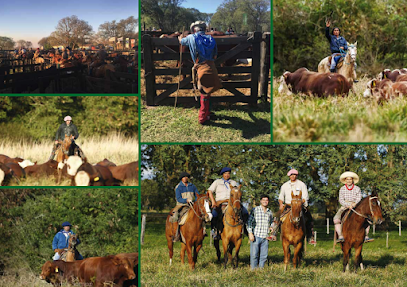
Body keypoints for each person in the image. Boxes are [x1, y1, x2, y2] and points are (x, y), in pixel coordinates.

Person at [178, 21, 222, 125]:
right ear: (204, 29)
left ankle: (203, 117)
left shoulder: (191, 37)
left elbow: (182, 42)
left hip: (201, 67)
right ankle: (206, 113)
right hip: (212, 66)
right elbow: (215, 56)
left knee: (203, 92)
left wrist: (180, 37)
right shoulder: (211, 39)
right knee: (208, 91)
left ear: (194, 30)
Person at [207, 167, 249, 239]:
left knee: (245, 212)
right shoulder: (217, 182)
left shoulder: (233, 182)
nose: (227, 175)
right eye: (225, 173)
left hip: (232, 203)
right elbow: (209, 191)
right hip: (220, 203)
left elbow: (237, 192)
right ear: (222, 174)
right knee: (214, 214)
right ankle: (214, 231)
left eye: (228, 173)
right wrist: (213, 201)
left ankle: (245, 230)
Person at [279, 169, 316, 245]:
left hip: (299, 205)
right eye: (291, 175)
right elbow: (281, 197)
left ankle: (310, 236)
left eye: (294, 175)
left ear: (296, 175)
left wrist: (300, 203)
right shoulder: (284, 185)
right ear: (289, 176)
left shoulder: (301, 184)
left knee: (309, 218)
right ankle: (273, 233)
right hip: (288, 205)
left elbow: (305, 197)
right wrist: (280, 204)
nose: (293, 176)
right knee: (277, 217)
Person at [334, 171, 374, 243]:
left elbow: (359, 198)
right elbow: (341, 200)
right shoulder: (342, 189)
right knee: (336, 219)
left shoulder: (357, 188)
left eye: (350, 179)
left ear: (352, 180)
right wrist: (348, 205)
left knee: (367, 219)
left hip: (356, 206)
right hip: (345, 206)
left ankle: (366, 236)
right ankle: (340, 236)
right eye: (347, 179)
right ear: (345, 180)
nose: (349, 181)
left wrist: (354, 204)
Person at [247, 194, 274, 269]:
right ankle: (253, 270)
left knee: (264, 256)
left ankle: (261, 270)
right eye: (263, 200)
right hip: (256, 235)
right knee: (254, 255)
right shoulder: (255, 210)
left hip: (265, 237)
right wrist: (250, 233)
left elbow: (272, 222)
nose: (265, 201)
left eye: (266, 200)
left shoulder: (269, 212)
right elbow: (249, 222)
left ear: (268, 202)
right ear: (261, 201)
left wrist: (271, 227)